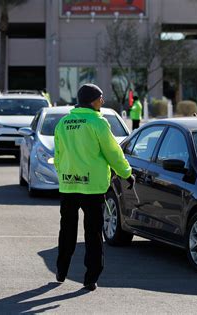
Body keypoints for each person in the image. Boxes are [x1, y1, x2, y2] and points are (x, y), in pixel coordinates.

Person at [54, 83, 135, 291]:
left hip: (69, 186)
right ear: (91, 100)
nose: (103, 101)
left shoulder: (63, 123)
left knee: (67, 230)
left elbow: (58, 155)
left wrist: (63, 174)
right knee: (93, 233)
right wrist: (127, 173)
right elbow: (113, 152)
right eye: (100, 97)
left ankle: (61, 270)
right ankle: (91, 278)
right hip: (92, 188)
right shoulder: (98, 123)